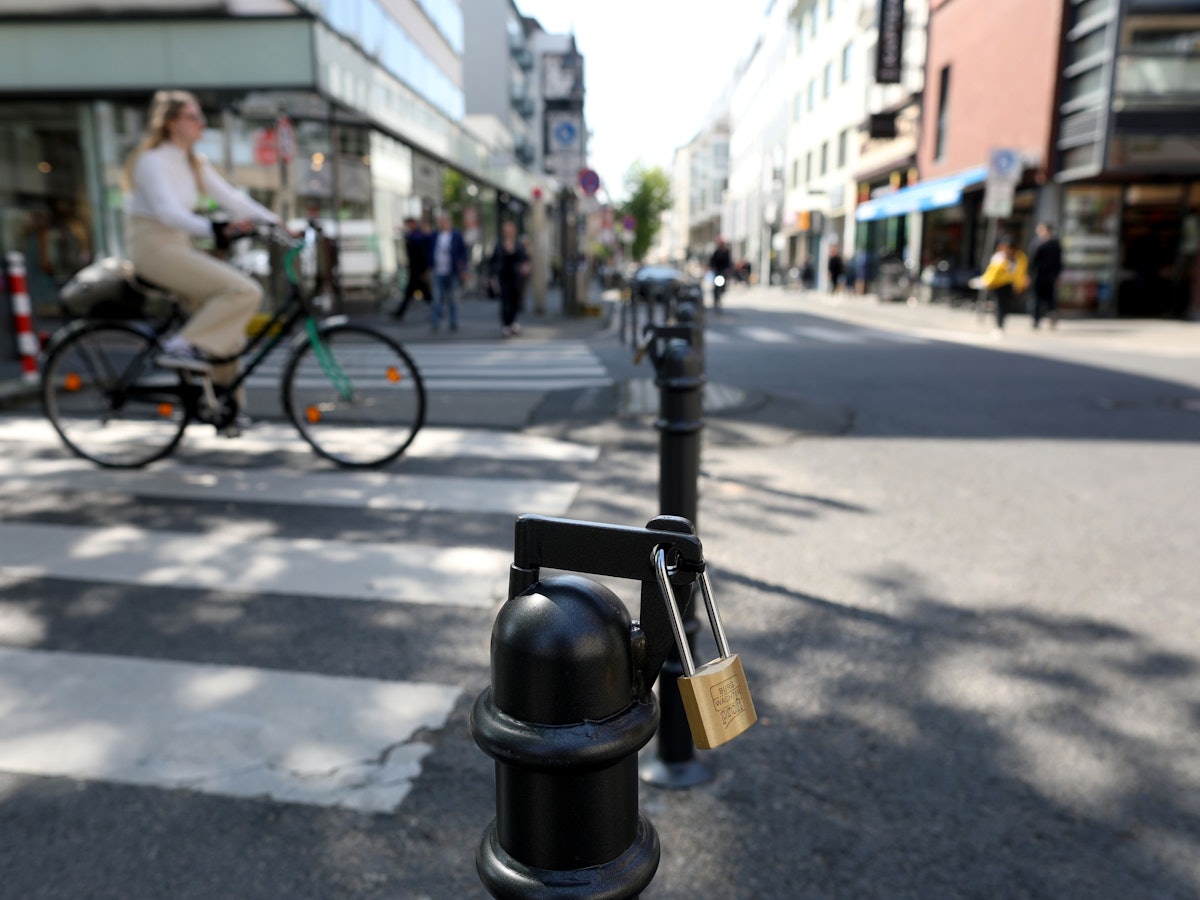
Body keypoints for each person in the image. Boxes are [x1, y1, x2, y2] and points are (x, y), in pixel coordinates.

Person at [123, 89, 278, 431]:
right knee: (243, 292)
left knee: (228, 331)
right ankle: (182, 346)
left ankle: (224, 412)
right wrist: (214, 228)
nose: (202, 123)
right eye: (194, 117)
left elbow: (233, 199)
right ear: (172, 122)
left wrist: (277, 223)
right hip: (153, 248)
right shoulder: (152, 160)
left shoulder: (194, 162)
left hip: (178, 245)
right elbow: (168, 212)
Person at [973, 234, 1029, 332]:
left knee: (1005, 305)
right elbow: (992, 272)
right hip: (998, 284)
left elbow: (1021, 272)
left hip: (1010, 285)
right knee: (999, 304)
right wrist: (985, 281)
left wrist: (1020, 285)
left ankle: (1001, 324)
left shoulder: (1020, 257)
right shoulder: (999, 257)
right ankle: (999, 325)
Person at [489, 220, 531, 338]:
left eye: (510, 230)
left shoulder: (519, 244)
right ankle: (506, 324)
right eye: (506, 230)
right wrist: (492, 276)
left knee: (515, 300)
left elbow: (525, 258)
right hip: (503, 276)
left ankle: (513, 322)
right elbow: (493, 261)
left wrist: (526, 264)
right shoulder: (499, 244)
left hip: (516, 276)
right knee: (505, 300)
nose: (508, 232)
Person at [430, 212, 468, 332]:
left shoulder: (456, 235)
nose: (441, 224)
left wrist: (465, 269)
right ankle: (436, 322)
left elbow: (464, 253)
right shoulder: (435, 235)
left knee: (452, 298)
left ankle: (453, 322)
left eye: (443, 221)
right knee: (437, 297)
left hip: (452, 271)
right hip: (438, 271)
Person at [392, 216, 430, 321]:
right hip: (415, 269)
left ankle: (399, 313)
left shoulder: (417, 236)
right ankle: (399, 313)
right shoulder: (414, 235)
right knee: (423, 294)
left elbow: (422, 255)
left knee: (415, 293)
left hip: (417, 270)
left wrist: (423, 270)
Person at [1028, 222, 1063, 329]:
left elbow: (1058, 261)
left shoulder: (1051, 243)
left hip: (1046, 275)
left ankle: (1049, 315)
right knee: (1038, 298)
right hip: (1039, 274)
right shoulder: (1037, 242)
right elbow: (1031, 260)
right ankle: (1037, 318)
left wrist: (1057, 274)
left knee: (1048, 297)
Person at [709, 237, 732, 309]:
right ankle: (716, 299)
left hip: (723, 271)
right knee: (716, 286)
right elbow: (712, 261)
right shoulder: (716, 252)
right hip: (717, 271)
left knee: (723, 285)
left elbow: (728, 262)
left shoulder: (726, 252)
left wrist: (728, 269)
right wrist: (712, 267)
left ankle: (719, 295)